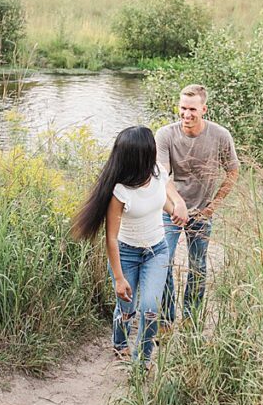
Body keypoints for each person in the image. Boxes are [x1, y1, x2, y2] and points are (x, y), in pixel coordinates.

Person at [73, 126, 188, 366]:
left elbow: (159, 202)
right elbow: (111, 237)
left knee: (149, 308)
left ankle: (142, 360)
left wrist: (174, 210)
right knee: (126, 308)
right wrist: (118, 278)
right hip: (126, 254)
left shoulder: (158, 173)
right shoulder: (119, 191)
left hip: (157, 251)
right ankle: (120, 342)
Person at [156, 84, 239, 324]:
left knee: (197, 265)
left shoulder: (220, 135)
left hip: (203, 213)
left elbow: (233, 171)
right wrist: (177, 203)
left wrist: (213, 206)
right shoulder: (166, 134)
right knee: (164, 262)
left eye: (192, 109)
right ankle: (166, 319)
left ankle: (191, 318)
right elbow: (161, 175)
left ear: (204, 109)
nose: (186, 114)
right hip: (170, 209)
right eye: (183, 108)